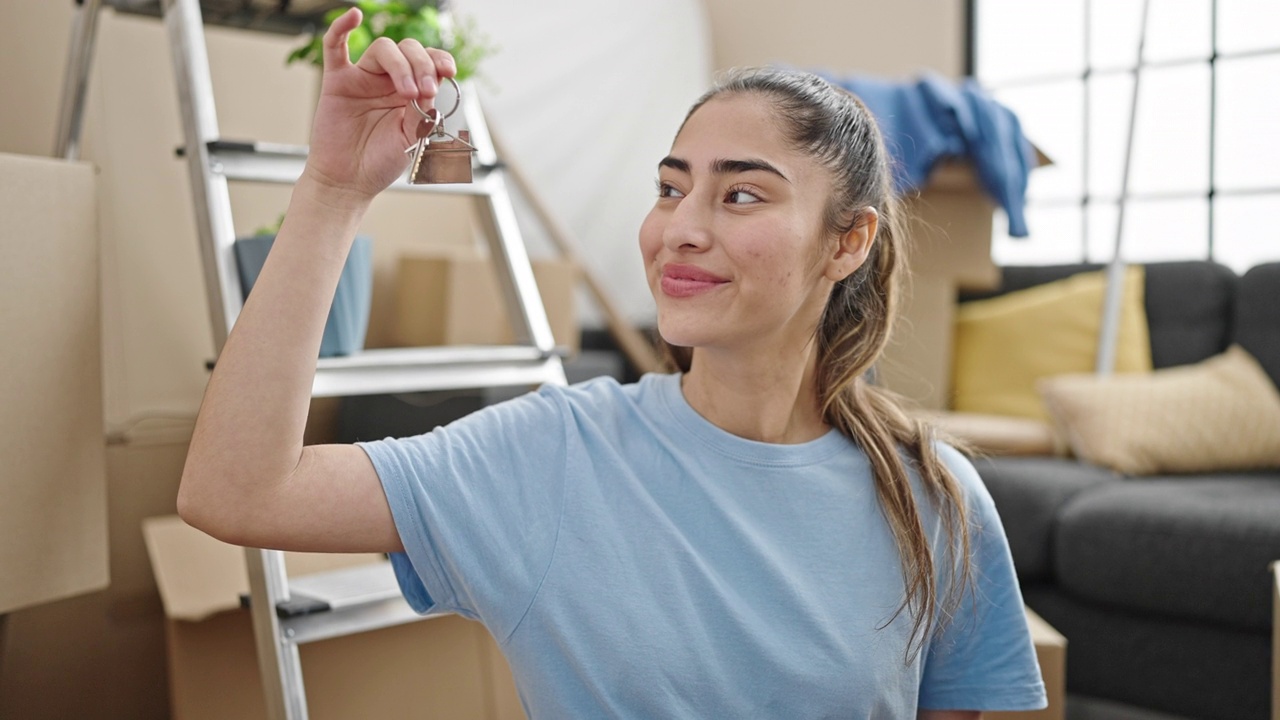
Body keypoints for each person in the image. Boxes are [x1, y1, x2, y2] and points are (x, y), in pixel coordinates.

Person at [178, 8, 1047, 718]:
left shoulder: (934, 502)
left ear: (847, 242)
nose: (682, 227)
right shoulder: (555, 455)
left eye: (741, 194)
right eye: (671, 188)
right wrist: (333, 191)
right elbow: (236, 491)